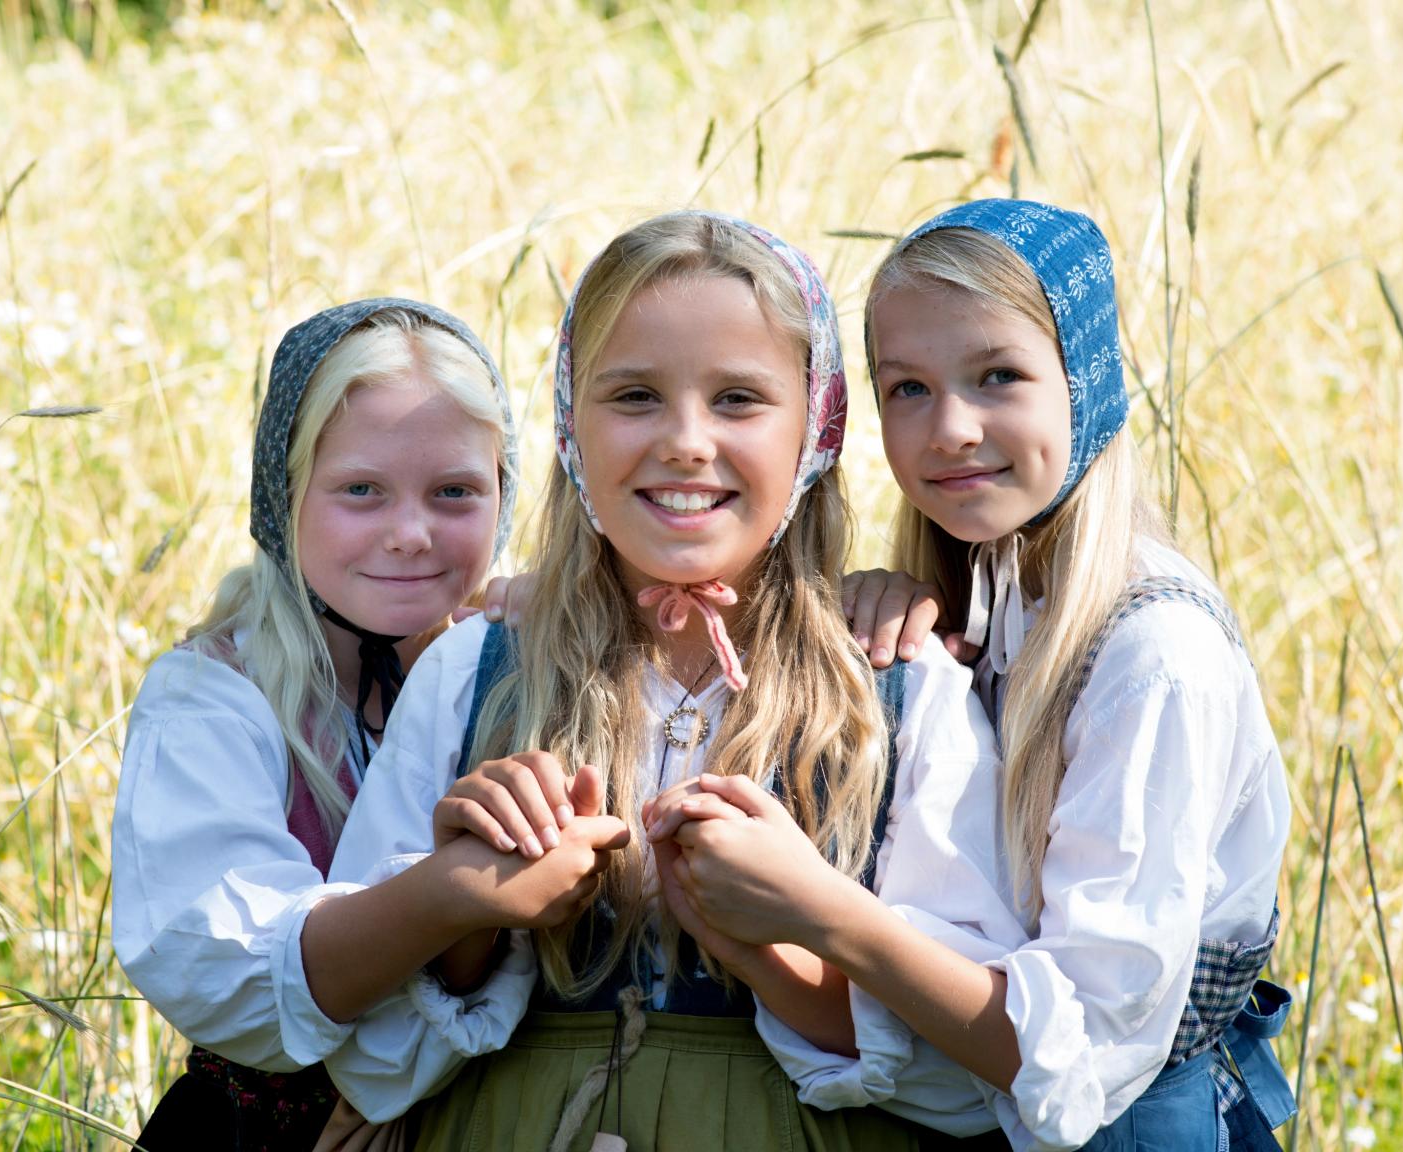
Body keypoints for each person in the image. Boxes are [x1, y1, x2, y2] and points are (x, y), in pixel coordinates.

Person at [323, 210, 1005, 1150]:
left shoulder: (896, 686)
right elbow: (366, 1053)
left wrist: (777, 947)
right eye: (636, 396)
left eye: (738, 399)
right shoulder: (474, 669)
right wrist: (467, 902)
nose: (687, 441)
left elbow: (974, 1072)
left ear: (815, 429)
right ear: (572, 426)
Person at [653, 199, 1296, 1150]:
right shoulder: (996, 590)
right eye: (908, 388)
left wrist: (818, 909)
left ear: (1084, 383)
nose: (950, 427)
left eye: (999, 376)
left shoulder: (1155, 658)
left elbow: (1078, 1062)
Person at [115, 298, 599, 1151]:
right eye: (361, 491)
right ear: (284, 494)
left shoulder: (516, 662)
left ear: (503, 494)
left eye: (454, 492)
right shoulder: (214, 699)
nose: (410, 534)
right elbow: (226, 971)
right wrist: (452, 893)